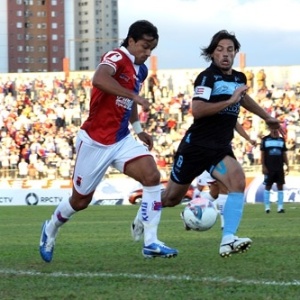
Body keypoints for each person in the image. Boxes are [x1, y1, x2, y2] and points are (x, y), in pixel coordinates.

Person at [131, 30, 284, 258]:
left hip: (219, 149)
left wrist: (266, 116)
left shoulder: (239, 78)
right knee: (172, 198)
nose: (225, 54)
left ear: (235, 53)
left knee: (237, 181)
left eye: (230, 50)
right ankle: (144, 213)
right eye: (220, 49)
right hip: (196, 147)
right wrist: (230, 100)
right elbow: (198, 110)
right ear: (212, 54)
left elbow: (245, 99)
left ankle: (228, 239)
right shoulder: (207, 77)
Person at [39, 20, 178, 263]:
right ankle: (50, 228)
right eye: (144, 47)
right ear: (131, 41)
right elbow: (99, 79)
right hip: (95, 141)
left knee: (152, 176)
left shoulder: (140, 69)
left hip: (121, 139)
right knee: (80, 201)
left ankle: (151, 242)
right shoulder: (116, 56)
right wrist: (134, 94)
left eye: (151, 49)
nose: (147, 53)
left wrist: (138, 129)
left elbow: (128, 102)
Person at [260, 128, 289, 213]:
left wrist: (287, 164)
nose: (275, 130)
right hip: (269, 167)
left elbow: (284, 153)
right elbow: (262, 153)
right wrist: (263, 166)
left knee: (280, 186)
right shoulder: (265, 139)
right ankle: (267, 207)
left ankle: (280, 207)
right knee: (268, 186)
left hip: (279, 167)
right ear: (270, 129)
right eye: (273, 128)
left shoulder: (281, 140)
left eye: (276, 128)